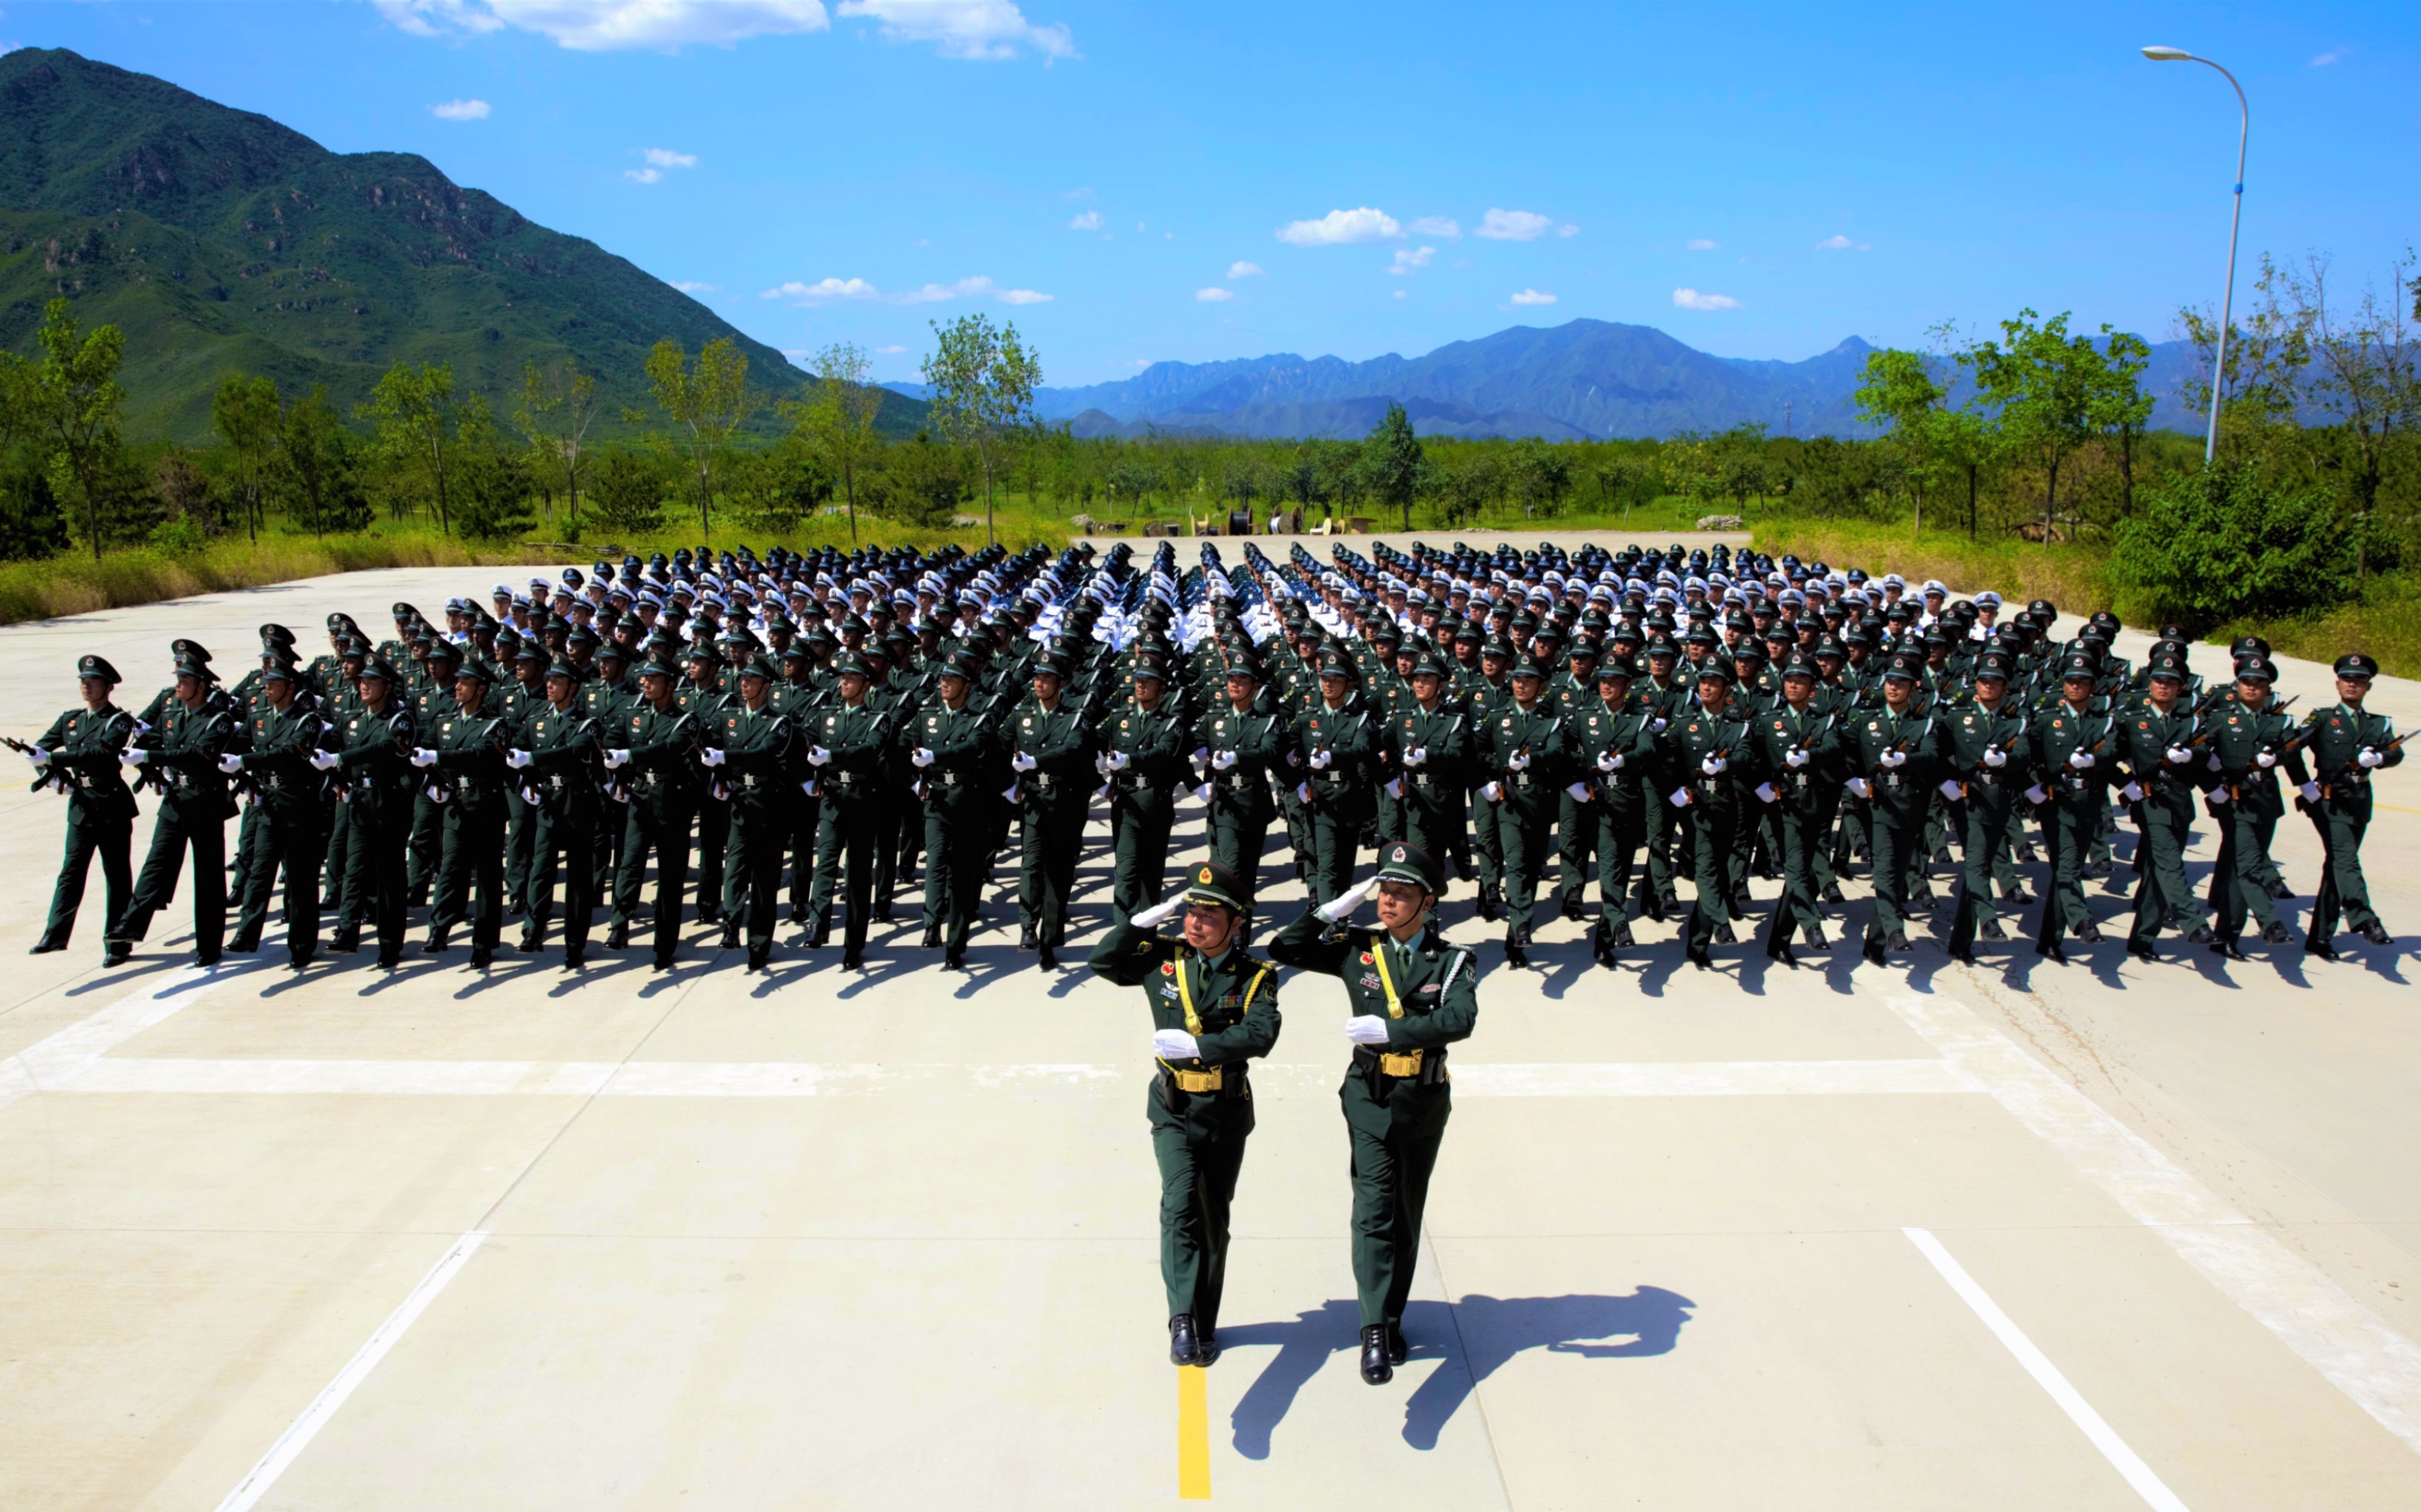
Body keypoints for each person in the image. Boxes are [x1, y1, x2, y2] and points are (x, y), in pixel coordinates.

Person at [1268, 841, 1477, 1388]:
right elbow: (1284, 947)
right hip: (1368, 1094)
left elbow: (1460, 1019)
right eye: (1384, 891)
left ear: (1426, 903)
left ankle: (1391, 1312)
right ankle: (1374, 1330)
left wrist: (1395, 1032)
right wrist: (1333, 909)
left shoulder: (1453, 960)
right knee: (1373, 1208)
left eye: (1401, 894)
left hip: (1423, 1098)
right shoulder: (1355, 948)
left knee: (1406, 1212)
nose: (1387, 902)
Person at [1087, 860, 1281, 1368]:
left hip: (1223, 1108)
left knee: (1213, 1220)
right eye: (1191, 911)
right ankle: (1179, 1320)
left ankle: (1203, 1321)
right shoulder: (1162, 960)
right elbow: (1102, 963)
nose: (1195, 923)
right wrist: (1137, 925)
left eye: (1209, 915)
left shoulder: (1255, 976)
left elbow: (1259, 1034)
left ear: (1236, 923)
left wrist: (1198, 1044)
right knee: (1178, 1206)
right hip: (1172, 1106)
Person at [117, 657, 243, 967]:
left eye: (184, 681)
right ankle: (130, 924)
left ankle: (210, 946)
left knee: (209, 878)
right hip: (175, 800)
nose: (178, 686)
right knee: (156, 862)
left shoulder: (219, 720)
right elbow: (154, 741)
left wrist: (149, 754)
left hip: (206, 803)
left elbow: (195, 756)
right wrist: (142, 755)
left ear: (201, 685)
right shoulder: (173, 714)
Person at [29, 655, 140, 963]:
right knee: (71, 871)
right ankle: (55, 934)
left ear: (108, 687)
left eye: (92, 681)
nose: (86, 686)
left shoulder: (118, 721)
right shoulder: (71, 719)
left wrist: (52, 762)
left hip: (111, 807)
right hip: (81, 806)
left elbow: (99, 756)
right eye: (82, 681)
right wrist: (52, 777)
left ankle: (118, 942)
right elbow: (39, 751)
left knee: (116, 876)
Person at [2295, 653, 2403, 958]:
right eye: (2347, 679)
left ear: (2369, 687)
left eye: (2360, 680)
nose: (2353, 684)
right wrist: (2304, 783)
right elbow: (2291, 747)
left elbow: (2395, 753)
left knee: (2337, 867)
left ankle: (2319, 937)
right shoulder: (2323, 718)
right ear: (2337, 683)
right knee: (2345, 858)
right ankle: (2365, 918)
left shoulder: (2378, 724)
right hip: (2328, 802)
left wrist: (2381, 758)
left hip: (2359, 801)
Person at [224, 660, 328, 968]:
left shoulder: (307, 720)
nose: (266, 687)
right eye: (265, 682)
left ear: (290, 687)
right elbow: (238, 747)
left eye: (273, 683)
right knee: (260, 869)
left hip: (299, 806)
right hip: (268, 804)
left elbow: (291, 754)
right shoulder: (259, 717)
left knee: (301, 880)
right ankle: (247, 932)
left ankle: (302, 944)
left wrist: (244, 762)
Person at [610, 657, 704, 971]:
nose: (646, 683)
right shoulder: (632, 714)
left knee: (670, 877)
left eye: (654, 679)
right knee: (630, 862)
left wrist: (628, 755)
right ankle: (619, 924)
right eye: (644, 678)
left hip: (671, 803)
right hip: (639, 798)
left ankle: (664, 944)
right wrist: (617, 778)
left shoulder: (685, 720)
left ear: (671, 685)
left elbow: (670, 748)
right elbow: (611, 745)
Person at [417, 658, 511, 968]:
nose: (457, 686)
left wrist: (437, 758)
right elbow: (424, 752)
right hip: (456, 805)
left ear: (481, 689)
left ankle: (483, 942)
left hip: (485, 806)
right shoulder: (445, 721)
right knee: (450, 869)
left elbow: (478, 755)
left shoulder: (495, 726)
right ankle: (438, 930)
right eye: (458, 681)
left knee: (487, 876)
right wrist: (432, 778)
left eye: (465, 683)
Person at [906, 653, 997, 969]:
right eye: (943, 679)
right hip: (936, 800)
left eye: (952, 680)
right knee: (935, 861)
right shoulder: (927, 714)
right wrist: (914, 780)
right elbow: (904, 744)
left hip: (967, 800)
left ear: (967, 686)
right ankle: (931, 923)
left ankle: (956, 941)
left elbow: (971, 748)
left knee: (962, 871)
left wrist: (935, 756)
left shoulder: (979, 718)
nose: (944, 684)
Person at [805, 653, 895, 970]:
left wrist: (830, 756)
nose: (843, 683)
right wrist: (815, 772)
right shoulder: (827, 714)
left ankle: (854, 942)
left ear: (865, 685)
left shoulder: (877, 719)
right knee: (826, 861)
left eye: (851, 679)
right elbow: (807, 739)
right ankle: (818, 923)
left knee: (857, 874)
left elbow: (869, 750)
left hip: (860, 798)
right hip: (832, 797)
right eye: (842, 678)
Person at [327, 658, 418, 968]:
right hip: (359, 801)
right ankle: (347, 931)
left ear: (388, 687)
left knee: (389, 875)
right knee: (354, 868)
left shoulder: (399, 719)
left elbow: (381, 748)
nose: (364, 686)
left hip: (388, 802)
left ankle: (390, 942)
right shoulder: (352, 717)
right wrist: (338, 777)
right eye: (362, 681)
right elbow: (331, 746)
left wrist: (339, 759)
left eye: (372, 681)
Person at [511, 660, 600, 968]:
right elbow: (514, 752)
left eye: (557, 681)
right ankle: (533, 930)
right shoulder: (537, 719)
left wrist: (531, 759)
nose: (549, 685)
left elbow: (573, 752)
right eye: (548, 679)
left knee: (577, 877)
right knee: (541, 868)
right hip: (547, 800)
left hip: (576, 803)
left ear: (572, 687)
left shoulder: (586, 723)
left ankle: (575, 942)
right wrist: (524, 779)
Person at [1009, 654, 1093, 971]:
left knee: (1058, 872)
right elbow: (999, 745)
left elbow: (1072, 749)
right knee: (1031, 863)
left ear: (1061, 683)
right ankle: (1028, 926)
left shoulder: (1074, 717)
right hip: (1033, 801)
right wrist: (1008, 783)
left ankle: (1050, 940)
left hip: (1064, 801)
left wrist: (1035, 762)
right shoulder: (1021, 714)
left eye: (1047, 678)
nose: (1039, 683)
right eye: (1037, 677)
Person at [713, 654, 795, 971]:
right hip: (739, 802)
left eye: (751, 679)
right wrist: (719, 777)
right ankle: (731, 924)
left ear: (766, 686)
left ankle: (759, 942)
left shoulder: (778, 723)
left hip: (768, 805)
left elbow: (763, 754)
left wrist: (723, 757)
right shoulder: (729, 716)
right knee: (734, 867)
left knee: (764, 878)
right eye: (742, 678)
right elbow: (714, 747)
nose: (744, 684)